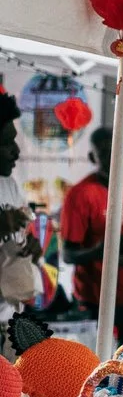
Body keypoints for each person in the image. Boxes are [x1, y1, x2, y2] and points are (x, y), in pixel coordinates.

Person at [59, 128, 123, 329]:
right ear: (93, 157)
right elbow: (68, 254)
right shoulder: (80, 195)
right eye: (105, 152)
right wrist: (100, 250)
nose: (114, 157)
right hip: (96, 298)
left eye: (118, 149)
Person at [0, 91, 41, 328]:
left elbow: (22, 238)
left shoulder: (9, 185)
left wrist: (30, 248)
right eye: (6, 143)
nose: (16, 151)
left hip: (9, 321)